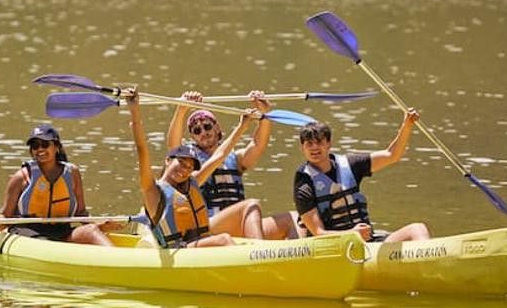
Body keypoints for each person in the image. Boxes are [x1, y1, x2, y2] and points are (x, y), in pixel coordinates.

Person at [126, 88, 265, 248]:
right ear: (168, 160)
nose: (185, 170)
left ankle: (255, 255)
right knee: (224, 240)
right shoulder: (152, 189)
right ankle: (255, 260)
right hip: (179, 250)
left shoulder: (192, 182)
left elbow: (219, 156)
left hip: (198, 244)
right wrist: (135, 112)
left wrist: (242, 126)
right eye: (182, 163)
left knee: (224, 239)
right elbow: (142, 148)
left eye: (190, 167)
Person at [167, 91, 298, 239]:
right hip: (210, 226)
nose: (203, 132)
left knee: (292, 218)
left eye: (207, 126)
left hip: (240, 222)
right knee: (251, 204)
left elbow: (258, 144)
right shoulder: (189, 163)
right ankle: (259, 253)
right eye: (197, 130)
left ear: (217, 128)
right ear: (193, 137)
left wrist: (264, 115)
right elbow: (173, 147)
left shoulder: (235, 158)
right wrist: (181, 109)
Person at [293, 109, 430, 243]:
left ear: (329, 144)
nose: (314, 148)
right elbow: (318, 233)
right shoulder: (304, 184)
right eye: (309, 144)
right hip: (333, 247)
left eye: (319, 142)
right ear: (302, 148)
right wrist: (352, 234)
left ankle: (427, 262)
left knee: (417, 229)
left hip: (367, 242)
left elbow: (392, 155)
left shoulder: (350, 164)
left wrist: (407, 126)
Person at [0, 124, 120, 246]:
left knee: (91, 231)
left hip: (61, 231)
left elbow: (81, 213)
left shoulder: (72, 173)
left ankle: (117, 260)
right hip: (28, 232)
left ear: (57, 147)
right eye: (35, 146)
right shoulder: (20, 177)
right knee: (44, 241)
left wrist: (100, 225)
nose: (40, 149)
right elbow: (6, 217)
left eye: (45, 144)